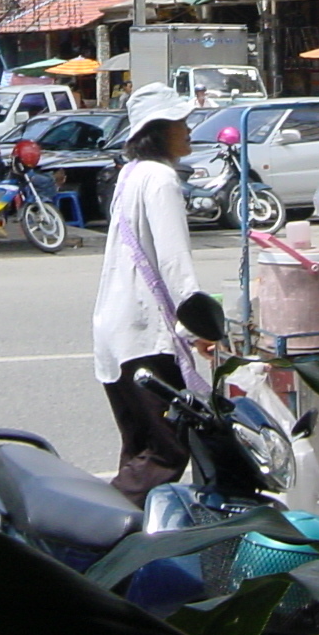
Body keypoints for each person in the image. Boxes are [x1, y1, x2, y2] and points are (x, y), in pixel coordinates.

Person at [92, 83, 227, 504]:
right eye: (179, 123)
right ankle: (91, 532)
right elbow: (174, 263)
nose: (188, 130)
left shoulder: (130, 174)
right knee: (169, 450)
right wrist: (200, 327)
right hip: (144, 335)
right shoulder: (161, 179)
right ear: (156, 131)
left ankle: (127, 549)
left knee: (140, 449)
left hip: (116, 331)